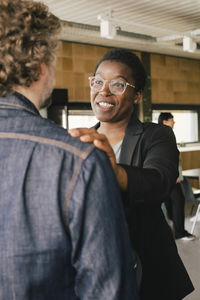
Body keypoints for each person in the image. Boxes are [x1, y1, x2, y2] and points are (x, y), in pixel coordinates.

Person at [0, 2, 139, 299]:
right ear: (42, 68)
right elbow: (109, 292)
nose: (102, 91)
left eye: (115, 85)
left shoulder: (88, 151)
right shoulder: (80, 159)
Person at [69, 48, 194, 300]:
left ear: (137, 95)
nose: (104, 91)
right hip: (94, 269)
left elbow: (159, 182)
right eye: (98, 81)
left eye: (118, 84)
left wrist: (111, 170)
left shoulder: (156, 135)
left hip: (147, 268)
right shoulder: (79, 141)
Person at [158, 112, 196, 241]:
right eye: (171, 120)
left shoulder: (161, 135)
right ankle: (180, 233)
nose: (173, 122)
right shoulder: (165, 135)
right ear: (164, 122)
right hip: (170, 176)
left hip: (165, 176)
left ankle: (177, 230)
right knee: (178, 202)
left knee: (171, 202)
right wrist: (175, 174)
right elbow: (169, 157)